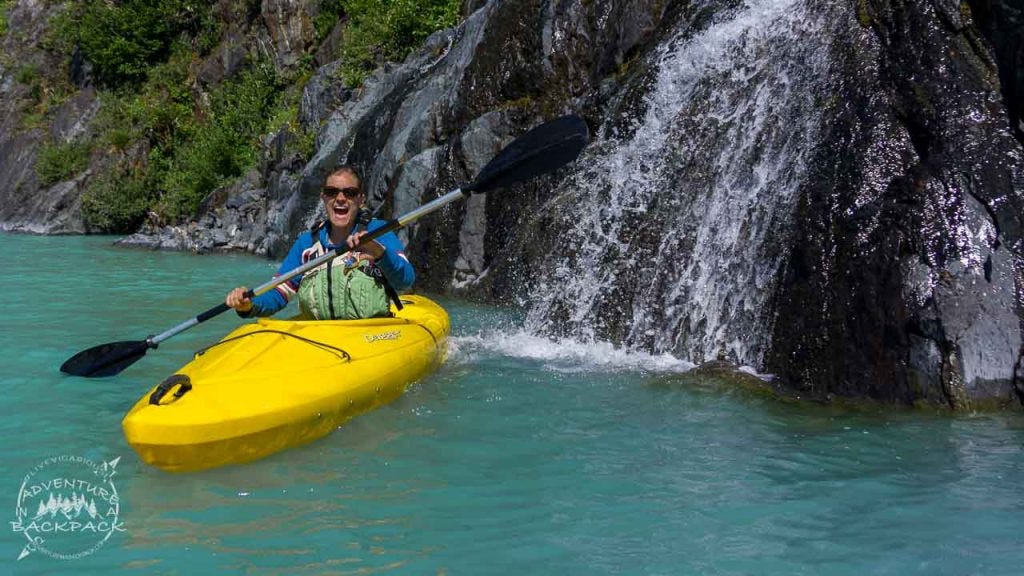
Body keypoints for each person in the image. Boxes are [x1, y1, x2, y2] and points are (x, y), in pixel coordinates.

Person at [225, 165, 415, 319]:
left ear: (360, 199)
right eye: (332, 192)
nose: (340, 198)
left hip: (369, 336)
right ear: (323, 197)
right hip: (321, 337)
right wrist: (249, 305)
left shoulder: (378, 232)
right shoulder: (306, 243)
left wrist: (379, 253)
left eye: (349, 193)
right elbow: (279, 293)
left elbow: (405, 281)